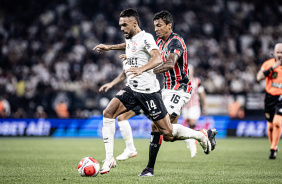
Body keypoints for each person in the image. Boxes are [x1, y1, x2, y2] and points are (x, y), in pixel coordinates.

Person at [93, 8, 216, 176]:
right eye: (155, 26)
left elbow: (169, 64)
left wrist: (144, 69)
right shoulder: (158, 41)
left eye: (159, 26)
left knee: (160, 128)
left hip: (180, 88)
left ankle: (150, 168)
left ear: (169, 25)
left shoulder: (175, 42)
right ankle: (201, 135)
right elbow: (131, 45)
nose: (156, 29)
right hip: (165, 89)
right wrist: (112, 48)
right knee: (167, 134)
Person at [256, 43, 282, 159]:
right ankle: (273, 146)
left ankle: (273, 149)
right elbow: (259, 78)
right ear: (274, 53)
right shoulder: (268, 64)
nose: (280, 55)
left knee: (277, 123)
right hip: (269, 97)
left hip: (281, 97)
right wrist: (273, 67)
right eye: (278, 52)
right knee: (270, 126)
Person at [181, 65, 207, 158]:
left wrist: (204, 105)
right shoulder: (182, 81)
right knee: (188, 122)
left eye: (189, 71)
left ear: (192, 72)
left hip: (194, 105)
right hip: (185, 106)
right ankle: (193, 138)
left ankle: (194, 139)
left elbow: (202, 93)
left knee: (192, 121)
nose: (188, 72)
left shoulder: (197, 81)